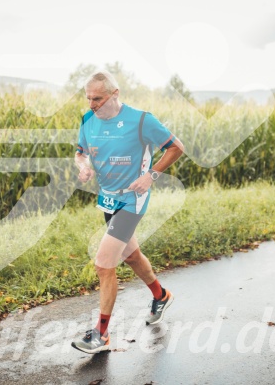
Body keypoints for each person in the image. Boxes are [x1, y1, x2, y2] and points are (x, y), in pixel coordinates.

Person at [71, 71, 184, 354]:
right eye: (88, 98)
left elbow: (176, 147)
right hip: (107, 200)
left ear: (115, 94)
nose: (91, 104)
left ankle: (101, 334)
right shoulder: (87, 120)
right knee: (131, 255)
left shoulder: (141, 120)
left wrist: (151, 176)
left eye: (97, 98)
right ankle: (161, 295)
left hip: (132, 201)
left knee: (103, 264)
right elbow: (80, 152)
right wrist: (83, 166)